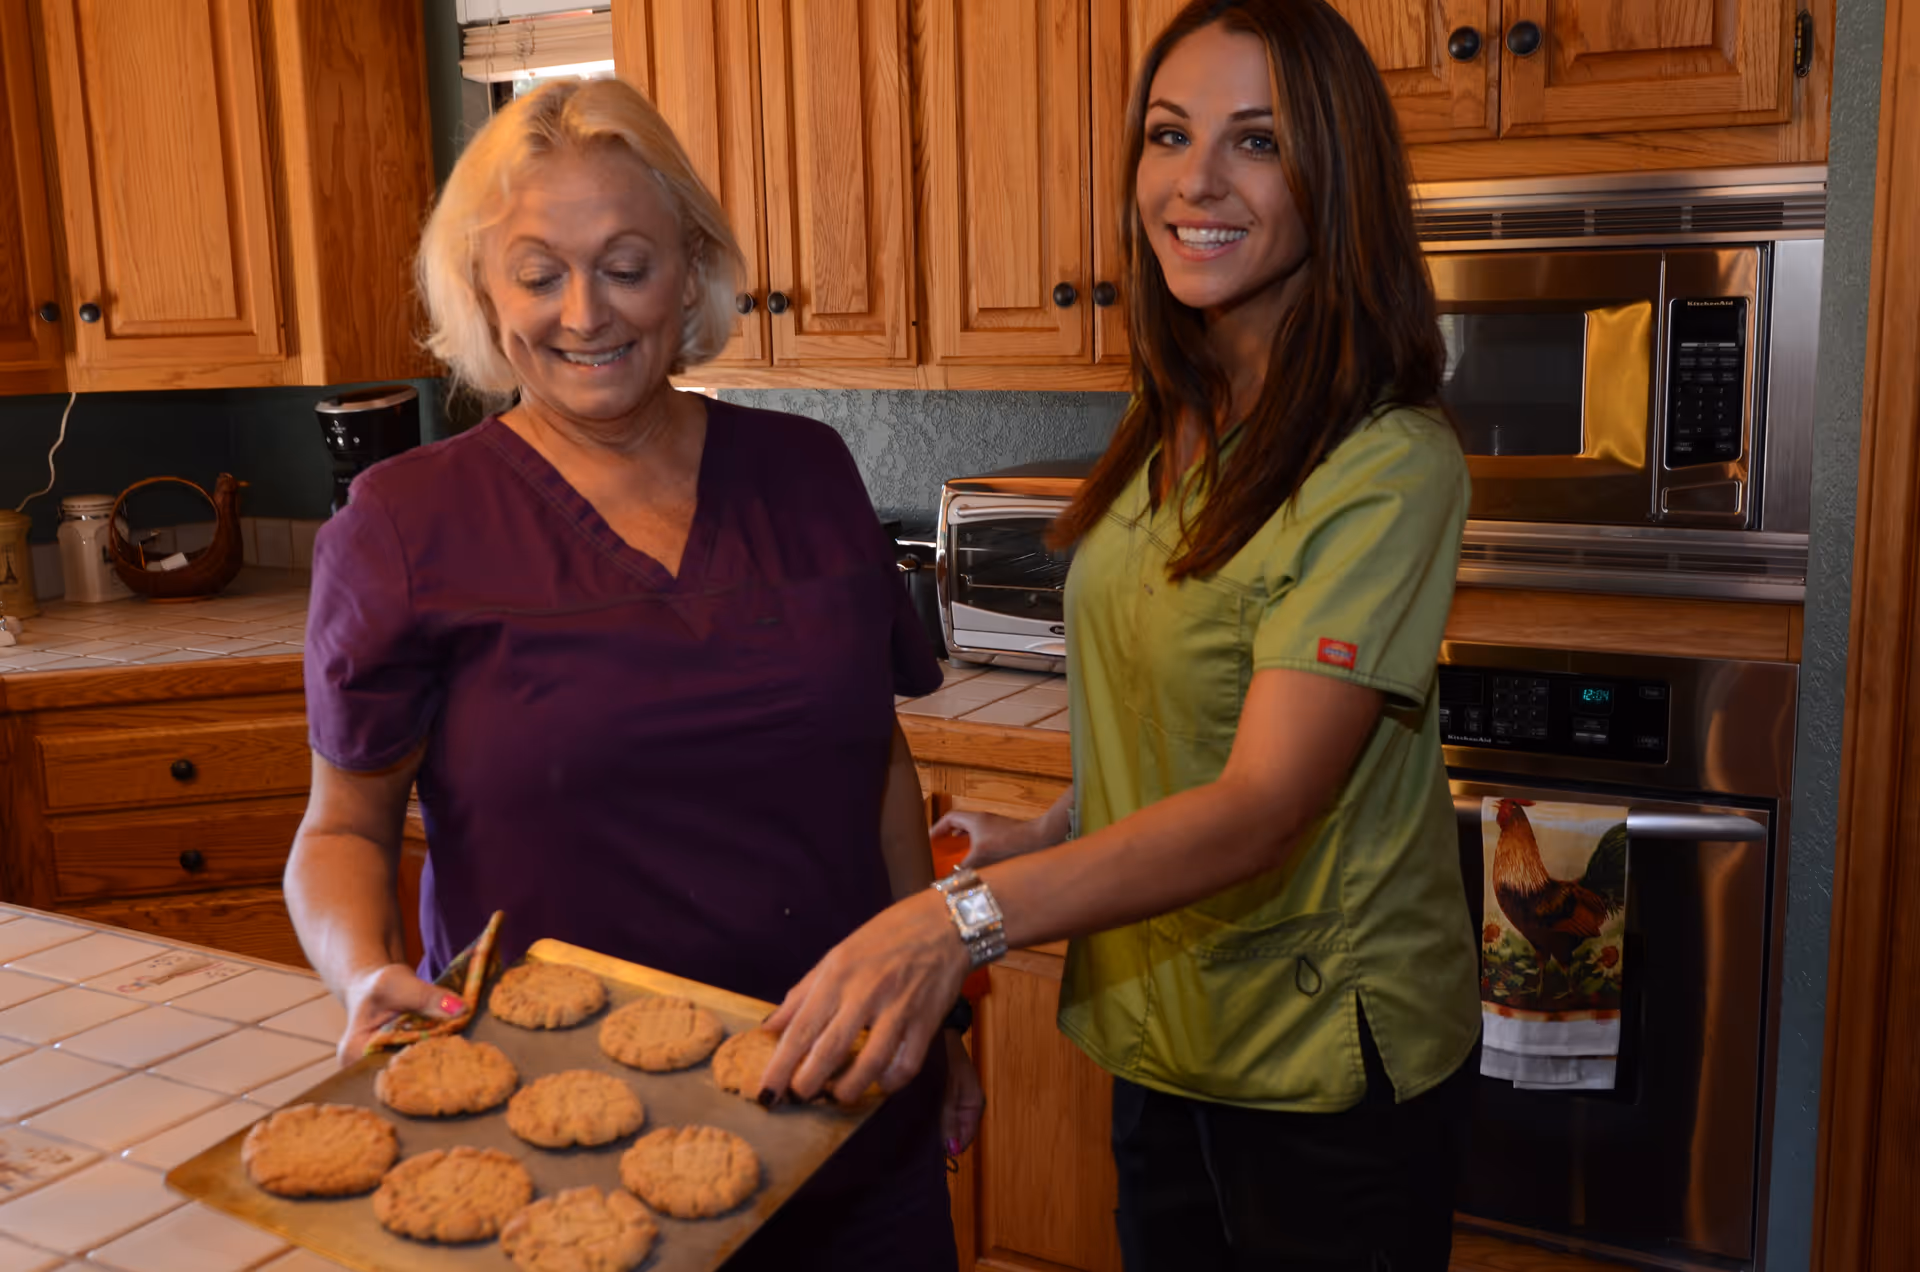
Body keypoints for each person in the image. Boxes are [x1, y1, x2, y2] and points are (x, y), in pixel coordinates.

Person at [757, 2, 1479, 1268]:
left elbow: (1260, 806)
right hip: (1165, 1023)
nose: (1195, 180)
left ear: (1337, 177)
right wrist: (1044, 834)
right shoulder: (1174, 414)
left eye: (1257, 140)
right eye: (1168, 133)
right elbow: (1168, 720)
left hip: (1324, 1063)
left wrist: (960, 920)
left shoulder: (1387, 462)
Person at [284, 78, 976, 1270]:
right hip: (553, 1154)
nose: (583, 313)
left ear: (692, 270)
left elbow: (877, 775)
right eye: (538, 271)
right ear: (485, 290)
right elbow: (342, 828)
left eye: (626, 264)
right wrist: (365, 975)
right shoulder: (403, 525)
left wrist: (942, 1011)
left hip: (845, 1104)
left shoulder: (806, 473)